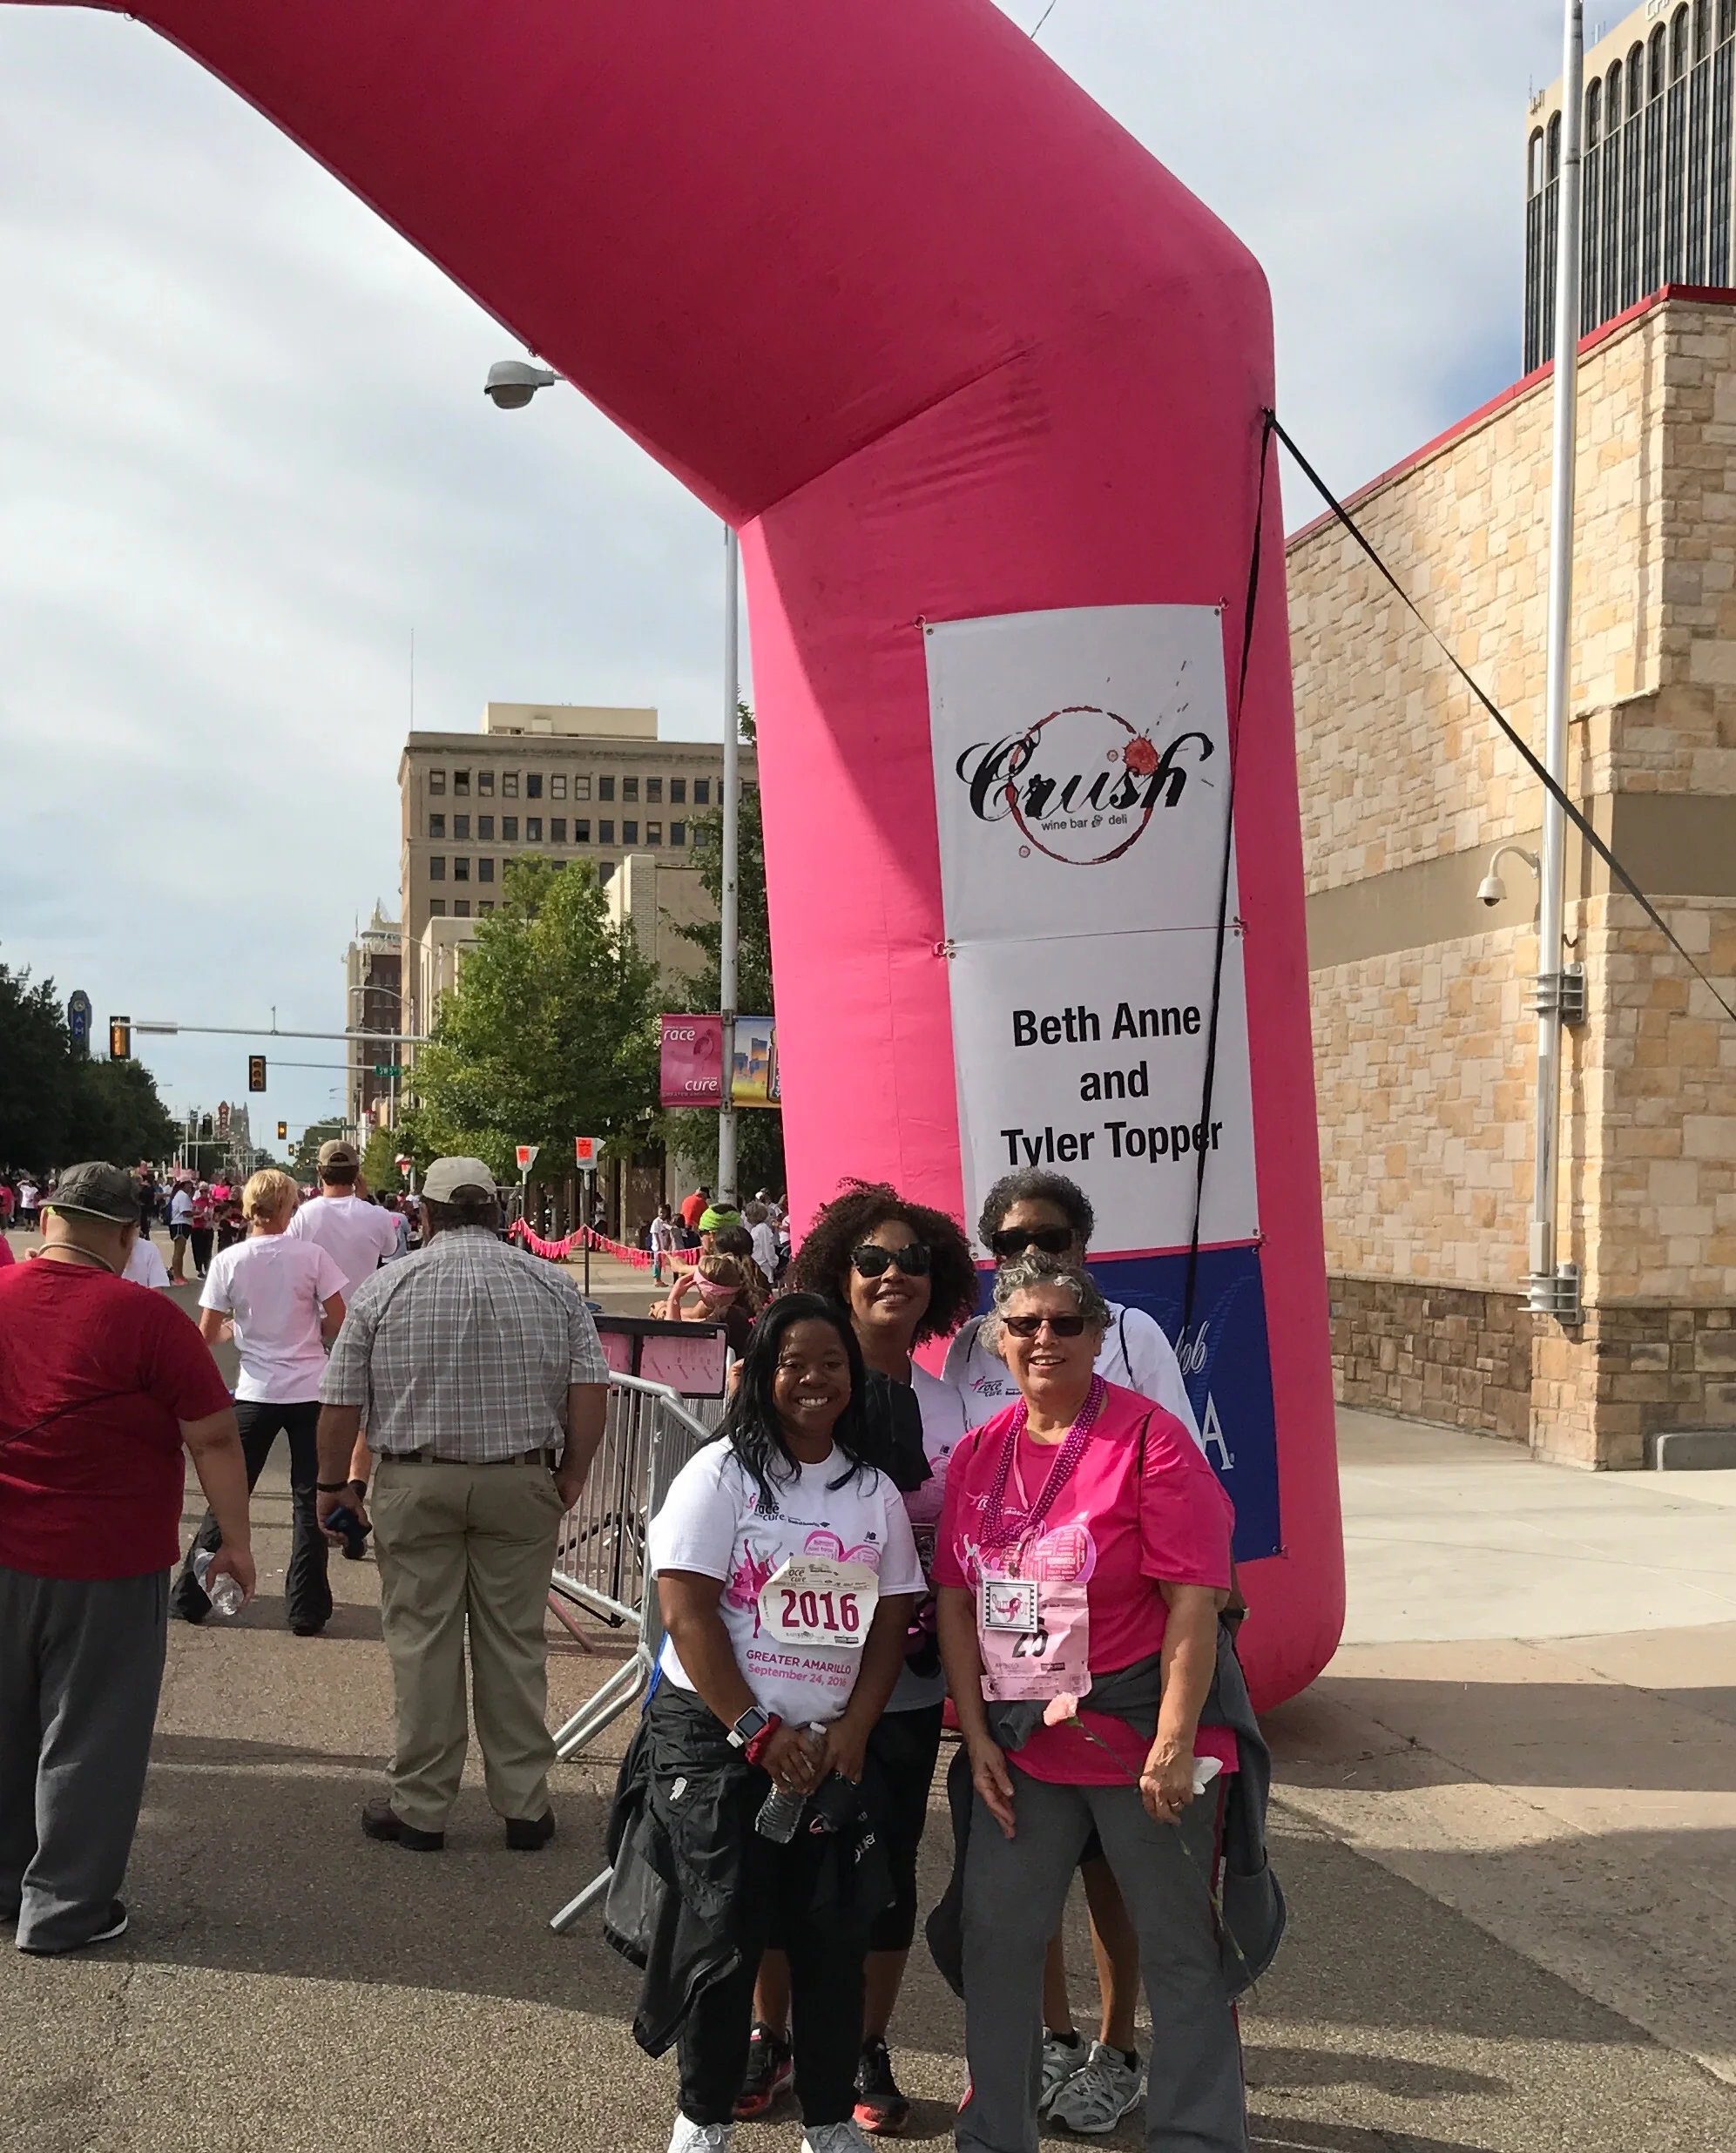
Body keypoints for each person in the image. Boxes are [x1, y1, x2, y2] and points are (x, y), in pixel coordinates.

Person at [932, 1256, 1246, 2153]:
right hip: (1022, 1743)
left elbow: (1194, 1597)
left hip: (1133, 1730)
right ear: (998, 1338)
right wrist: (978, 1734)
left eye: (1064, 1324)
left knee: (1182, 1951)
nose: (1042, 1339)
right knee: (998, 1944)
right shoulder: (982, 1451)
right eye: (1023, 1324)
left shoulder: (1149, 1440)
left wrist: (1175, 1741)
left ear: (1098, 1337)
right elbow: (956, 1600)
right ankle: (993, 2134)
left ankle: (1196, 2136)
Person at [611, 1292, 926, 2153]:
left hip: (828, 1748)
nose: (813, 1380)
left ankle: (826, 2119)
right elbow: (687, 1613)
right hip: (720, 1741)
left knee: (832, 1935)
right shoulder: (720, 1475)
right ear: (762, 1375)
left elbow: (891, 1625)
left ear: (853, 1379)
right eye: (793, 1363)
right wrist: (756, 1729)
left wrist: (853, 1731)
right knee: (724, 1932)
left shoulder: (873, 1495)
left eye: (831, 1363)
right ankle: (703, 2115)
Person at [741, 1181, 978, 2133]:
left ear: (940, 1283)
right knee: (773, 1853)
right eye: (873, 1260)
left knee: (880, 1866)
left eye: (914, 1262)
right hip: (784, 1674)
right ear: (839, 1270)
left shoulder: (954, 1402)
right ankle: (773, 2033)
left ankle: (865, 2042)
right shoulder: (783, 1382)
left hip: (901, 1682)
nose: (894, 1276)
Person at [314, 1157, 609, 1850]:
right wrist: (573, 1471)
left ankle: (421, 1808)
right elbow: (588, 1391)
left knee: (422, 1645)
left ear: (426, 1213)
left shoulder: (384, 1289)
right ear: (498, 1211)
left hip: (417, 1482)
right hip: (520, 1480)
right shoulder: (552, 1284)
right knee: (515, 1644)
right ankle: (524, 1808)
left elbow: (340, 1402)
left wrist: (334, 1484)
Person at [0, 1162, 253, 1953]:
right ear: (124, 1233)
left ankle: (6, 1882)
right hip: (106, 1555)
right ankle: (66, 1906)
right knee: (92, 1732)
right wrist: (235, 1542)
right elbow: (211, 1434)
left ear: (47, 1221)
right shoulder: (145, 1317)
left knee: (6, 1722)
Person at [172, 1169, 348, 1637]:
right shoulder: (311, 1256)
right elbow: (338, 1317)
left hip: (255, 1389)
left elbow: (206, 1334)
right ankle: (307, 1608)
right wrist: (312, 1335)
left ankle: (191, 1595)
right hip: (309, 1387)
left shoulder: (230, 1260)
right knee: (310, 1499)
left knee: (229, 1497)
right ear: (290, 1206)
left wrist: (236, 1330)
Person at [287, 1139, 402, 1298]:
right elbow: (390, 1249)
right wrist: (367, 1200)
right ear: (356, 1173)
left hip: (319, 1318)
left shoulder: (303, 1216)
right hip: (364, 1313)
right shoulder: (378, 1215)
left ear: (319, 1171)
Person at [744, 1200, 780, 1288]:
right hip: (763, 1265)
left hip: (763, 1265)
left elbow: (767, 1248)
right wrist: (774, 1262)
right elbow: (768, 1248)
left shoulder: (760, 1229)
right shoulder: (762, 1229)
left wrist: (773, 1262)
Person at [167, 1178, 195, 1283]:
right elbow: (186, 1212)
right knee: (179, 1251)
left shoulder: (180, 1195)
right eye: (189, 1184)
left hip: (181, 1224)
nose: (191, 1187)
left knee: (181, 1251)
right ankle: (177, 1275)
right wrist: (198, 1213)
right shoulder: (182, 1196)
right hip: (180, 1223)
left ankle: (179, 1274)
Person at [188, 1181, 216, 1278]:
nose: (203, 1192)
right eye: (201, 1191)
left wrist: (212, 1218)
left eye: (205, 1190)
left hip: (208, 1228)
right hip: (197, 1228)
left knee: (208, 1250)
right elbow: (190, 1216)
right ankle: (199, 1270)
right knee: (198, 1250)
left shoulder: (212, 1203)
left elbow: (216, 1216)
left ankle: (208, 1268)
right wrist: (200, 1215)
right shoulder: (195, 1202)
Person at [649, 1202, 676, 1286]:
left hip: (664, 1246)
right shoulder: (656, 1222)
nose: (662, 1214)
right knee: (657, 1263)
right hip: (657, 1247)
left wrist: (668, 1244)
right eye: (660, 1212)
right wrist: (659, 1245)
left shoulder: (667, 1222)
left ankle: (659, 1279)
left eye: (663, 1212)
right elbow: (655, 1234)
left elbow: (668, 1234)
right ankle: (656, 1279)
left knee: (660, 1263)